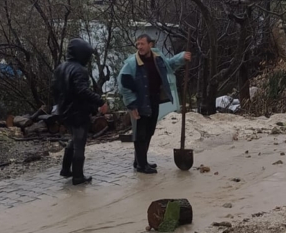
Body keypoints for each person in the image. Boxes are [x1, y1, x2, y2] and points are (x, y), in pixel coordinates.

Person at [118, 34, 191, 174]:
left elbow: (168, 66)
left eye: (142, 44)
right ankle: (141, 165)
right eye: (137, 44)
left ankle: (140, 161)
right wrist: (132, 105)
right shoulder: (132, 63)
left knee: (149, 131)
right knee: (140, 134)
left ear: (150, 45)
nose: (139, 47)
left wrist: (181, 58)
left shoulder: (157, 57)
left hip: (153, 99)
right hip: (139, 102)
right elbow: (123, 84)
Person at [52, 38, 109, 186]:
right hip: (77, 112)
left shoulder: (60, 68)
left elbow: (54, 89)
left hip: (64, 110)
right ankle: (78, 176)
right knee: (79, 143)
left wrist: (59, 105)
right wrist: (100, 101)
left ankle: (65, 169)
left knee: (74, 139)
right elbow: (82, 91)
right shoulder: (80, 70)